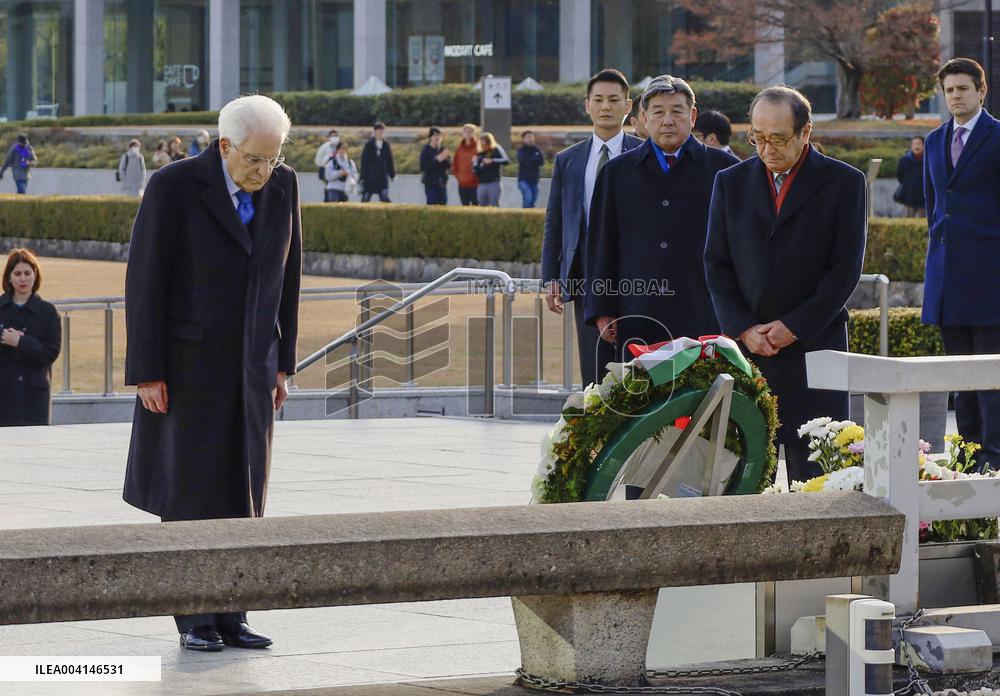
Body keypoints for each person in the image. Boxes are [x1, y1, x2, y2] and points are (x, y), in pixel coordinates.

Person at [123, 94, 302, 652]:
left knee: (245, 494)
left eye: (272, 159)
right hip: (187, 369)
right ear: (224, 145)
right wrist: (147, 370)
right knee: (192, 494)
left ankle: (234, 612)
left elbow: (288, 277)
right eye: (253, 159)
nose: (264, 171)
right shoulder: (173, 186)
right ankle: (194, 617)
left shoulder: (284, 184)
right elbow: (146, 280)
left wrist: (283, 364)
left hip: (252, 368)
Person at [705, 85, 867, 483]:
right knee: (742, 469)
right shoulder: (730, 182)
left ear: (806, 132)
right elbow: (716, 264)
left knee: (816, 471)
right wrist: (743, 327)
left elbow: (843, 270)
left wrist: (793, 326)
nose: (767, 148)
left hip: (815, 345)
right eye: (757, 138)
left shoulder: (844, 182)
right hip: (750, 349)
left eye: (778, 139)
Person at [586, 75, 738, 362]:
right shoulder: (617, 172)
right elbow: (601, 244)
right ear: (644, 117)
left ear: (692, 116)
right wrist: (601, 307)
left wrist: (739, 313)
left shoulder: (725, 170)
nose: (668, 120)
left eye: (677, 112)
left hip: (705, 311)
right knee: (639, 400)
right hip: (637, 309)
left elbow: (742, 248)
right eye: (658, 112)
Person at [542, 68, 642, 388]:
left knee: (637, 364)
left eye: (614, 100)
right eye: (598, 99)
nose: (605, 107)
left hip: (636, 277)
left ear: (628, 106)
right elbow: (555, 221)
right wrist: (551, 278)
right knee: (594, 369)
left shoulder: (644, 154)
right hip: (585, 276)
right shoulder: (568, 160)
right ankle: (598, 434)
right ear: (587, 105)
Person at [922, 57, 1000, 471]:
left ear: (981, 91)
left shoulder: (997, 137)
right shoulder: (934, 141)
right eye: (949, 90)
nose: (955, 96)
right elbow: (934, 210)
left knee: (991, 378)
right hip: (947, 278)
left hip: (989, 279)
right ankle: (967, 456)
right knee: (959, 378)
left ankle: (995, 458)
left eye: (963, 88)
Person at [0, 249, 61, 427]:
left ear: (35, 275)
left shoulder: (48, 312)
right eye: (17, 273)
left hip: (35, 394)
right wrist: (5, 339)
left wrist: (21, 342)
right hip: (4, 392)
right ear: (9, 277)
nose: (23, 279)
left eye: (27, 273)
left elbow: (50, 353)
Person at [360, 122, 395, 202]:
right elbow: (364, 161)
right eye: (378, 130)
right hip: (370, 176)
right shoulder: (369, 144)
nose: (380, 133)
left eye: (381, 131)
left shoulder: (386, 145)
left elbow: (389, 160)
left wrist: (392, 174)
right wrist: (363, 176)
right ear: (375, 131)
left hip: (382, 176)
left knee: (385, 198)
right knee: (366, 198)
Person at [473, 132, 509, 207]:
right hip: (482, 183)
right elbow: (476, 170)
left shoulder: (496, 149)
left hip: (493, 182)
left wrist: (493, 160)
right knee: (482, 205)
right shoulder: (480, 153)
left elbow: (506, 160)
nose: (483, 144)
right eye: (481, 142)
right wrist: (475, 163)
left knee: (494, 204)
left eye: (485, 142)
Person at [894, 135, 926, 217]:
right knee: (908, 221)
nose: (916, 146)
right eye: (914, 144)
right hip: (909, 196)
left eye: (919, 143)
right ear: (911, 146)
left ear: (924, 145)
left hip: (924, 197)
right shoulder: (904, 160)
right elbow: (900, 176)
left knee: (925, 222)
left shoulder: (928, 160)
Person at [419, 127, 451, 205]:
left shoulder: (443, 149)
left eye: (439, 136)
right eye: (435, 135)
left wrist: (444, 158)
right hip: (430, 183)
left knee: (443, 205)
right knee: (432, 204)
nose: (438, 138)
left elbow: (448, 165)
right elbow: (423, 167)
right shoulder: (426, 151)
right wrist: (437, 160)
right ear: (431, 137)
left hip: (442, 183)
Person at [452, 123, 480, 205]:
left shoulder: (479, 147)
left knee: (476, 207)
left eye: (470, 132)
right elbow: (455, 165)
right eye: (465, 132)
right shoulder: (460, 148)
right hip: (463, 184)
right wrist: (459, 177)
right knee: (464, 207)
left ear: (474, 133)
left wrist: (477, 178)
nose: (467, 134)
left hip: (476, 184)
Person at [516, 131, 545, 208]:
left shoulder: (537, 150)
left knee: (533, 201)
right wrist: (534, 160)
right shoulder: (521, 150)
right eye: (528, 137)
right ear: (524, 139)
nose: (530, 139)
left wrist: (531, 160)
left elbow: (541, 161)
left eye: (532, 137)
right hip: (523, 180)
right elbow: (523, 160)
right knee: (528, 198)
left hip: (535, 180)